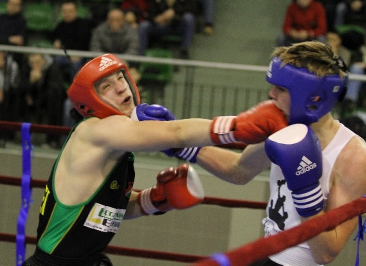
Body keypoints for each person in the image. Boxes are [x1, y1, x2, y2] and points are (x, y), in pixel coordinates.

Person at [22, 53, 288, 266]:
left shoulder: (114, 146)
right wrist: (241, 126)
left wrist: (154, 200)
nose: (120, 87)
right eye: (106, 86)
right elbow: (177, 132)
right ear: (91, 103)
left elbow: (105, 212)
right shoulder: (94, 130)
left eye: (120, 78)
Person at [137, 41, 366, 265]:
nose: (271, 94)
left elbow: (326, 253)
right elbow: (239, 169)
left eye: (281, 89)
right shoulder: (283, 129)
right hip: (268, 252)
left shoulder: (353, 156)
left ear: (313, 98)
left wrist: (307, 195)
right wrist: (181, 145)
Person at [19, 53, 65, 149]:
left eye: (37, 62)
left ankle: (52, 140)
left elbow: (55, 89)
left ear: (43, 60)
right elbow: (21, 86)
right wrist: (31, 83)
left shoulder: (52, 68)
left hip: (46, 99)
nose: (35, 65)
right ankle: (18, 136)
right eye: (32, 63)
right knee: (16, 97)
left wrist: (40, 81)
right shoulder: (27, 68)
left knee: (54, 101)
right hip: (31, 98)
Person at [52, 0, 96, 82]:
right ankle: (57, 90)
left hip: (81, 55)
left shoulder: (84, 24)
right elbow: (54, 38)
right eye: (65, 11)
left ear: (75, 11)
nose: (67, 14)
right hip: (64, 55)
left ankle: (75, 90)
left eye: (70, 11)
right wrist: (56, 41)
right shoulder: (60, 26)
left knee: (75, 64)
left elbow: (85, 43)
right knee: (53, 62)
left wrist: (76, 54)